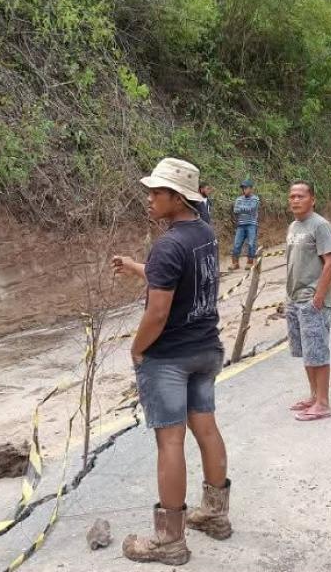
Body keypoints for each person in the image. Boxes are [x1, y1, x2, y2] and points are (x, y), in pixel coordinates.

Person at [111, 157, 231, 566]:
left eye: (156, 192)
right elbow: (177, 279)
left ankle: (169, 540)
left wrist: (137, 349)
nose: (149, 198)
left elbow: (158, 312)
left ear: (177, 198)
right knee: (206, 429)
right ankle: (215, 515)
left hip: (170, 357)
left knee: (170, 441)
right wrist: (137, 267)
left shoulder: (167, 245)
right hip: (205, 349)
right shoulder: (204, 234)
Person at [285, 180, 331, 422]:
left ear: (312, 200)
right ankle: (314, 396)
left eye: (300, 196)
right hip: (294, 298)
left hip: (312, 300)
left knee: (317, 351)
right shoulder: (293, 226)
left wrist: (318, 297)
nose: (295, 200)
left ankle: (323, 403)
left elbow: (330, 262)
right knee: (306, 352)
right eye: (292, 196)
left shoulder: (320, 225)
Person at [230, 179, 260, 270]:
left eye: (246, 188)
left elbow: (252, 209)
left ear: (251, 189)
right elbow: (235, 210)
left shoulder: (255, 199)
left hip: (252, 224)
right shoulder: (239, 199)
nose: (244, 190)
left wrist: (241, 208)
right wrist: (246, 209)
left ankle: (250, 262)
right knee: (237, 244)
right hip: (241, 224)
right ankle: (235, 263)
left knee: (251, 243)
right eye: (243, 188)